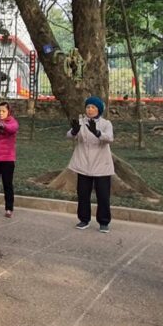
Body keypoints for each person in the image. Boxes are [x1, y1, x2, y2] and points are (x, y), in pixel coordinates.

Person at [68, 96, 115, 233]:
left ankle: (104, 221)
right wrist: (74, 131)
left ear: (99, 110)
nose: (90, 110)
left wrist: (97, 132)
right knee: (83, 194)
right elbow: (69, 136)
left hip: (101, 165)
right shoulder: (81, 122)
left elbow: (110, 138)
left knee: (103, 195)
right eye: (88, 107)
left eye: (93, 107)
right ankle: (84, 219)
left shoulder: (106, 124)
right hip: (83, 164)